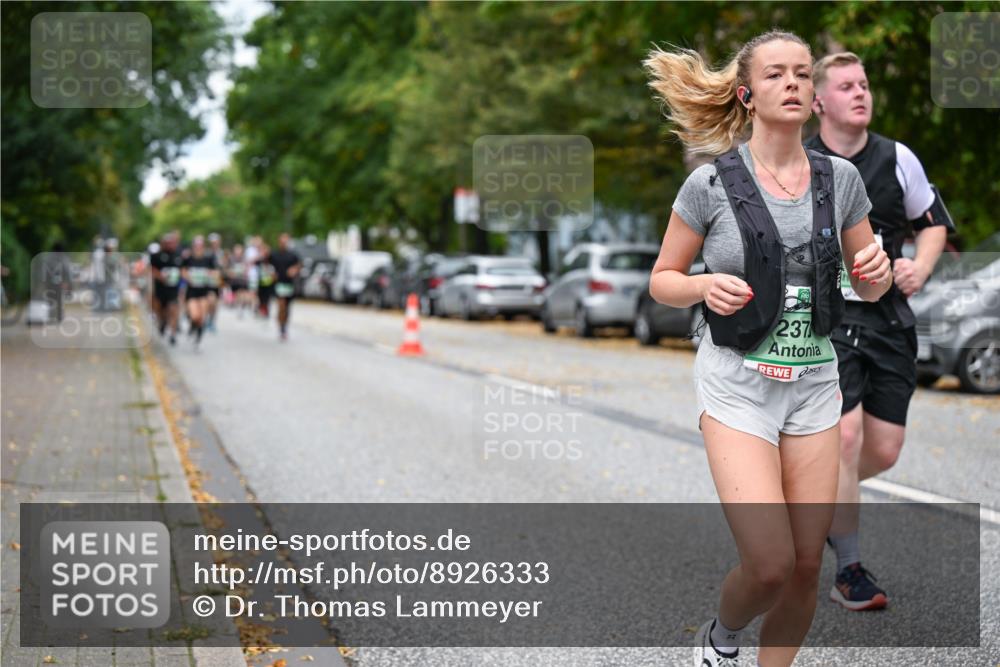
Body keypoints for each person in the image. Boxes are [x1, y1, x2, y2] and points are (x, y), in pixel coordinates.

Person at [644, 31, 891, 667]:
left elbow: (866, 275)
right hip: (736, 385)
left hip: (813, 385)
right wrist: (701, 283)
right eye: (777, 74)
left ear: (814, 98)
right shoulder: (710, 184)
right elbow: (662, 280)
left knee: (808, 566)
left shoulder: (840, 180)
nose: (793, 83)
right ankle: (720, 640)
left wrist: (879, 272)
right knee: (772, 564)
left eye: (803, 75)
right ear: (749, 95)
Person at [804, 52, 950, 612]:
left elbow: (932, 222)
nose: (861, 93)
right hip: (826, 320)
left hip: (887, 317)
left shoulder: (897, 159)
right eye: (846, 86)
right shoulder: (799, 160)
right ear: (820, 102)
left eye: (864, 84)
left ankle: (816, 501)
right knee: (844, 437)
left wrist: (922, 264)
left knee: (883, 450)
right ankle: (849, 569)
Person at [181, 235, 219, 348]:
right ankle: (193, 326)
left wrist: (209, 275)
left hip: (204, 290)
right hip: (192, 291)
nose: (198, 247)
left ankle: (198, 337)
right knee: (194, 315)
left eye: (200, 245)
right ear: (193, 246)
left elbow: (216, 272)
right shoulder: (188, 258)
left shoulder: (209, 258)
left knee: (201, 316)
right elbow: (182, 271)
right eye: (196, 245)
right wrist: (189, 278)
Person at [150, 232, 182, 345]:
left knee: (173, 308)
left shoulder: (179, 255)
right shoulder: (157, 256)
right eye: (167, 243)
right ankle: (162, 322)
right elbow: (151, 270)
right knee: (162, 311)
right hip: (161, 289)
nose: (170, 245)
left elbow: (184, 270)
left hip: (173, 289)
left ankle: (173, 334)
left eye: (172, 243)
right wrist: (161, 276)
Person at [268, 233, 302, 341]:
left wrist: (294, 270)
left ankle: (284, 326)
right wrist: (271, 273)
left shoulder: (293, 255)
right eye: (282, 241)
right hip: (278, 284)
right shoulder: (274, 254)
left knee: (287, 308)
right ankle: (281, 328)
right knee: (281, 305)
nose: (284, 243)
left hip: (289, 284)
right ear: (279, 242)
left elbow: (299, 265)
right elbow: (267, 265)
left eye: (285, 241)